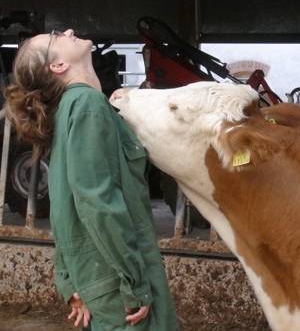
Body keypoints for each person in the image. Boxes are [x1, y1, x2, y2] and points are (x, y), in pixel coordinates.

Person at [4, 29, 178, 330]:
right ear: (57, 66)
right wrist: (135, 283)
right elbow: (97, 203)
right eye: (57, 35)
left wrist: (69, 279)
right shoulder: (86, 106)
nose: (69, 31)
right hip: (118, 281)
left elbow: (63, 207)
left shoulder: (71, 108)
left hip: (98, 276)